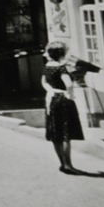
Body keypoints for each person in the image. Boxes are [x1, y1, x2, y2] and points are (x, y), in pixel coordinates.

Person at [41, 41, 85, 174]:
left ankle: (62, 163)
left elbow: (43, 82)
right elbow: (69, 85)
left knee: (56, 133)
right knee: (66, 134)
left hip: (51, 99)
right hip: (63, 99)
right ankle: (68, 165)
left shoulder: (47, 66)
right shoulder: (61, 68)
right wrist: (70, 95)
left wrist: (50, 89)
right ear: (62, 54)